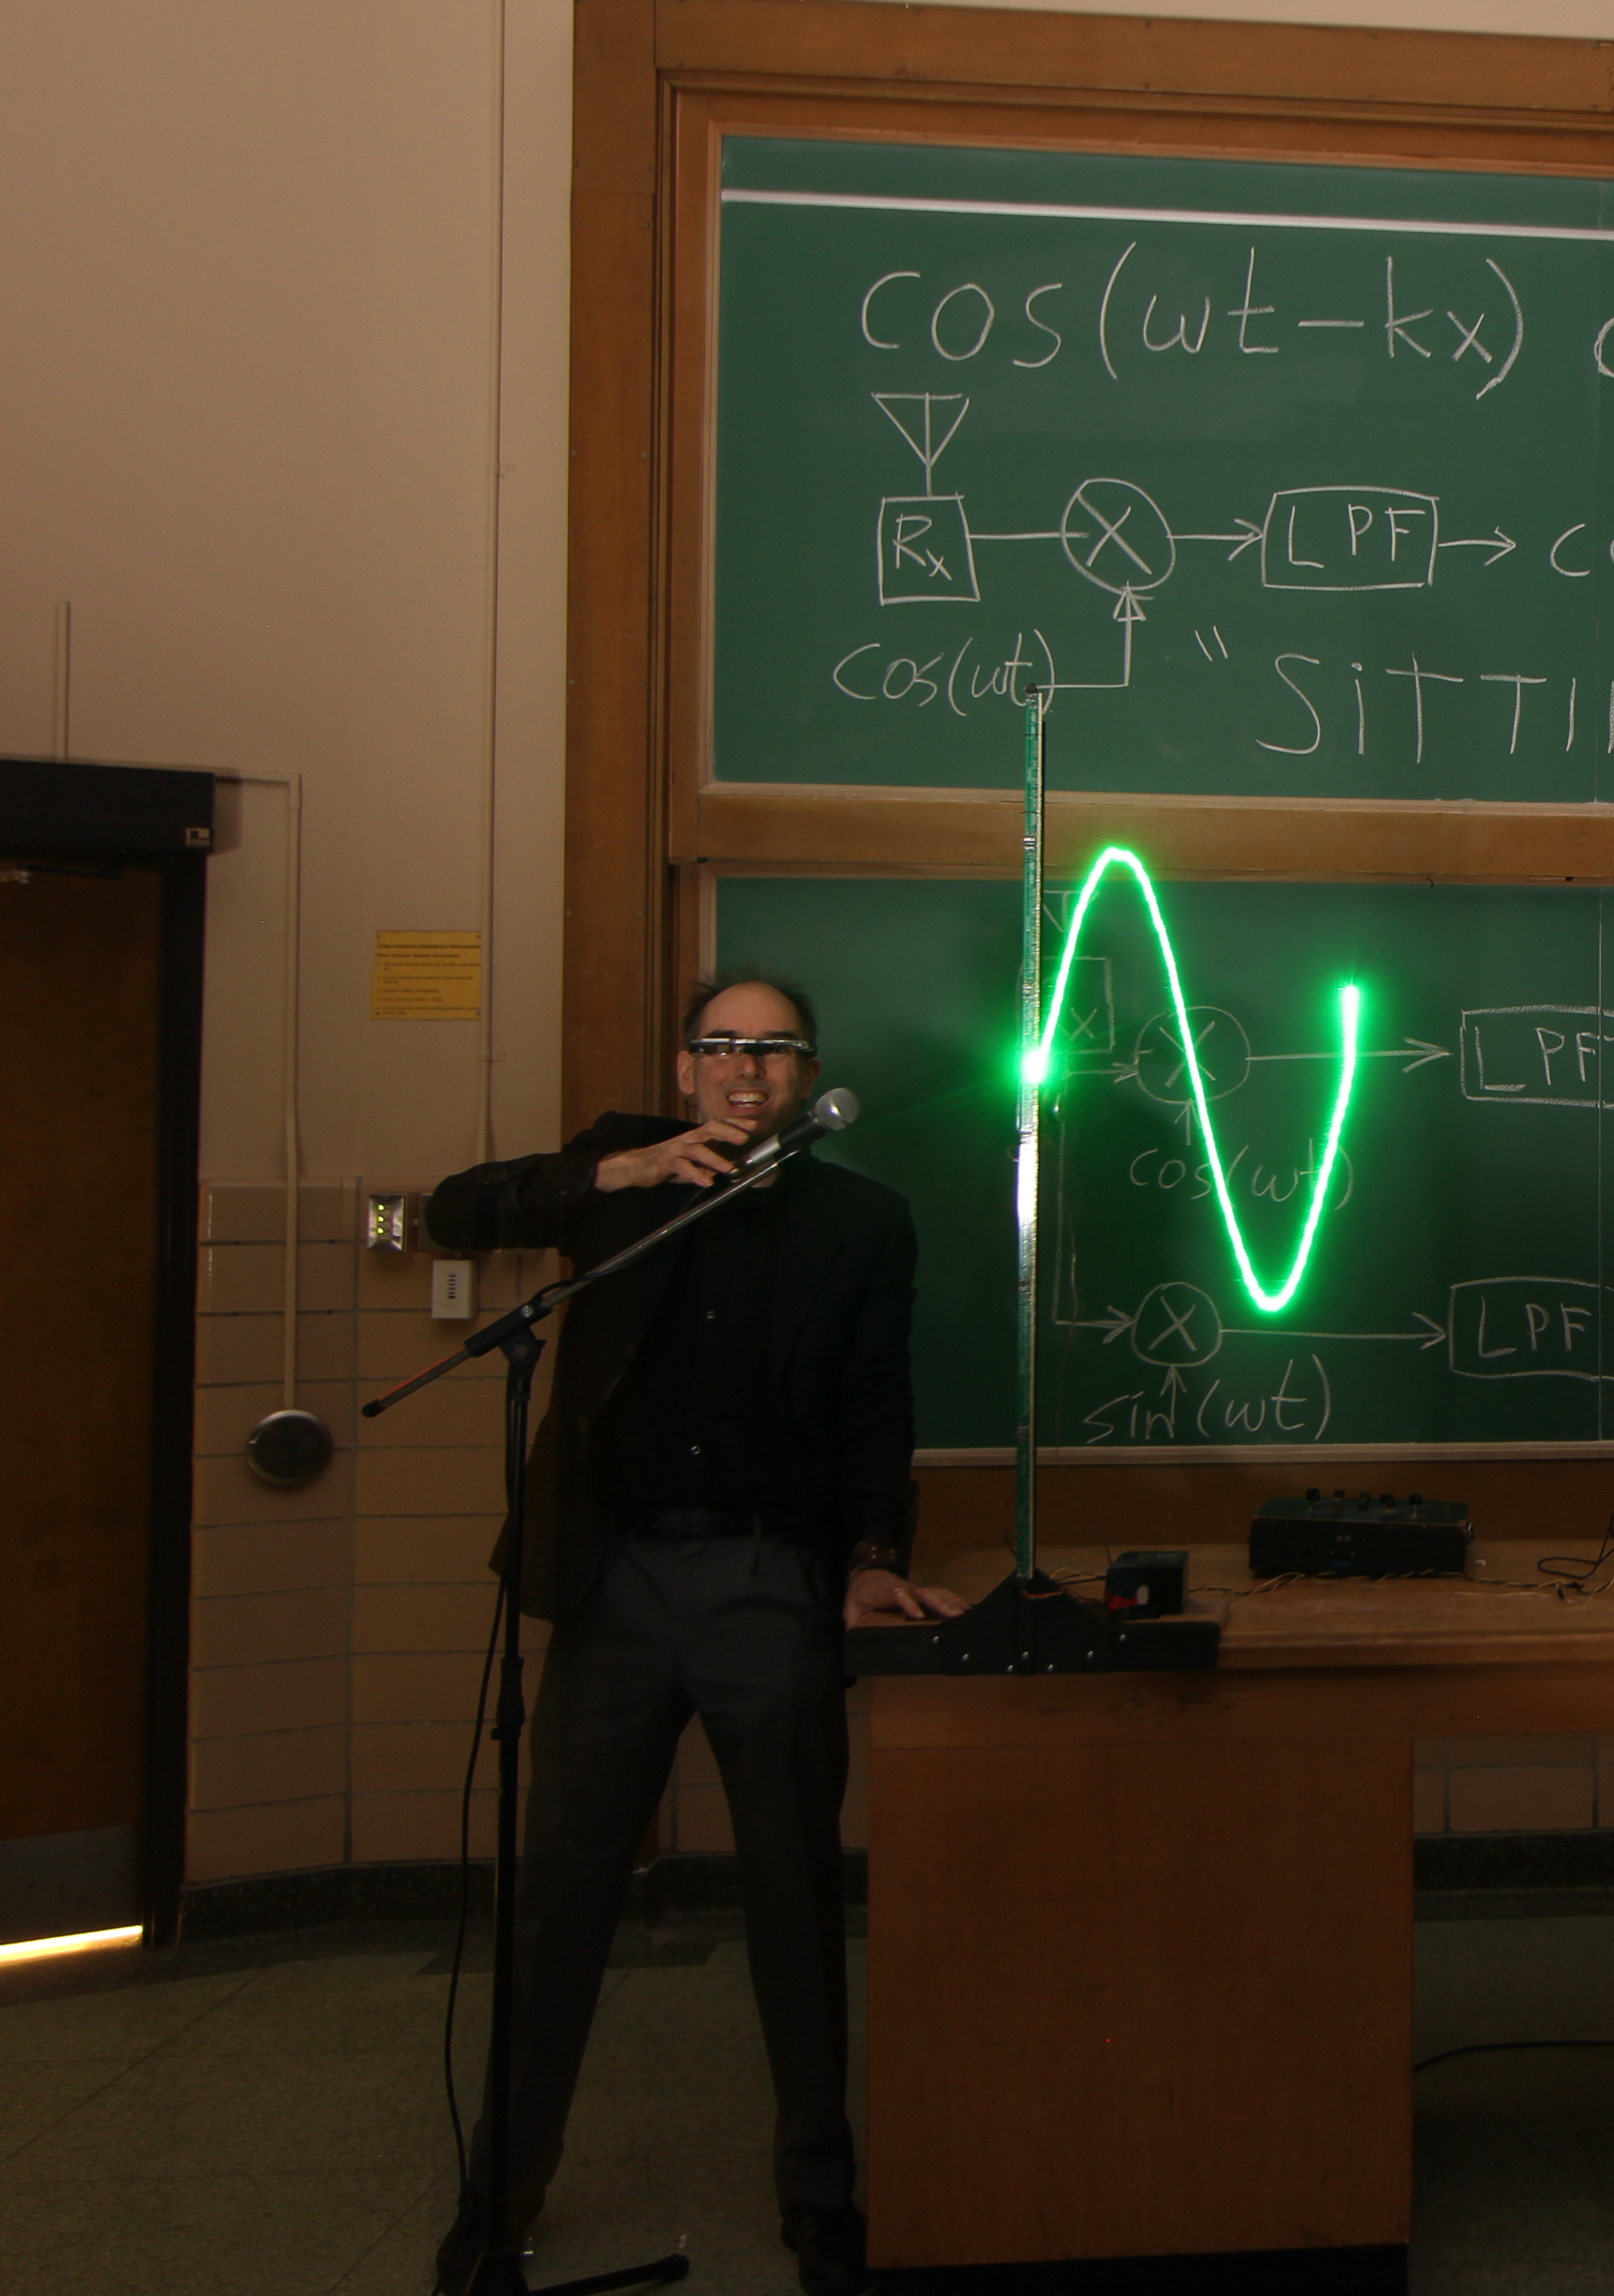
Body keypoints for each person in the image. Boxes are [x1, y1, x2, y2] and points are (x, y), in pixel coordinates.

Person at [424, 974, 965, 2296]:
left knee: (793, 1890)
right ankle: (502, 2196)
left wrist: (872, 1561)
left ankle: (818, 2194)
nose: (746, 1069)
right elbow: (455, 1210)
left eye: (775, 1050)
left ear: (809, 1076)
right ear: (684, 1069)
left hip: (767, 1579)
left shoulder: (863, 1223)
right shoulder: (619, 1180)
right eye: (722, 1045)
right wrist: (615, 1172)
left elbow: (876, 1409)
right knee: (562, 1893)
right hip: (615, 1580)